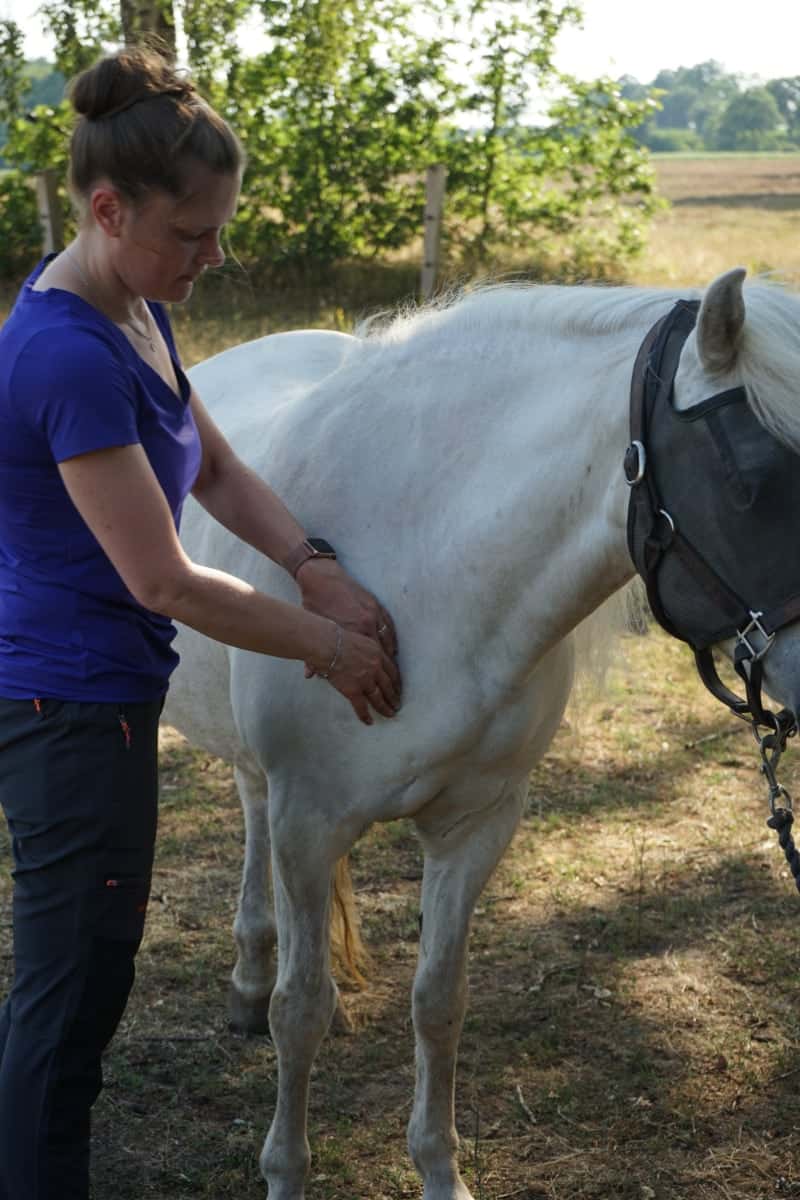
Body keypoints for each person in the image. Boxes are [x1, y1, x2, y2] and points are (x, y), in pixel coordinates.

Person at [0, 45, 401, 1200]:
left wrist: (311, 566)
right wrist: (330, 646)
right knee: (68, 999)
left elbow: (212, 462)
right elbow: (164, 581)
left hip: (104, 696)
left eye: (222, 230)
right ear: (109, 208)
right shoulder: (66, 351)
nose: (215, 258)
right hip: (64, 710)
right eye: (194, 234)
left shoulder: (129, 303)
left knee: (82, 984)